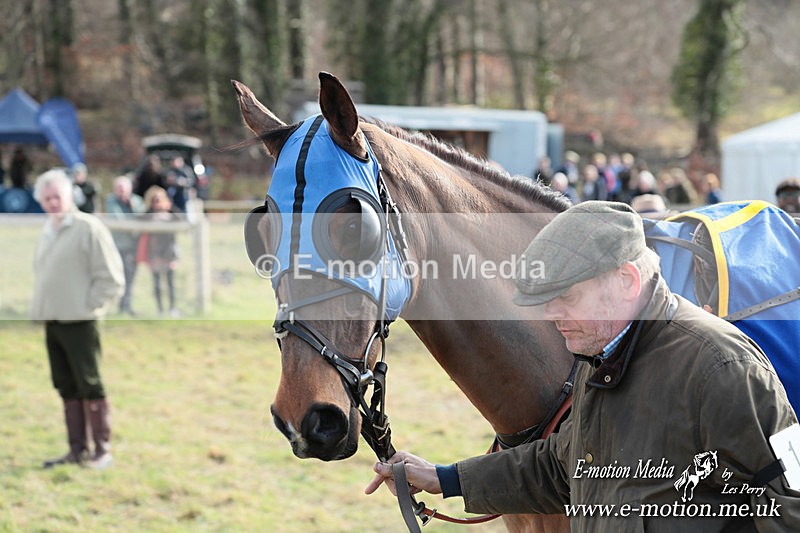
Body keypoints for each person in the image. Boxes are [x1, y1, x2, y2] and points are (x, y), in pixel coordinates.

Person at [366, 201, 800, 530]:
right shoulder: (600, 353)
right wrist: (444, 478)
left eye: (567, 297)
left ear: (627, 281)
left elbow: (791, 497)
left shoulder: (723, 367)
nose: (551, 315)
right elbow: (561, 466)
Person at [30, 169, 124, 470]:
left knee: (89, 383)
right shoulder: (48, 230)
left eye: (57, 196)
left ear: (69, 196)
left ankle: (101, 451)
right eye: (47, 198)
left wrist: (87, 306)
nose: (52, 203)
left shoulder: (88, 228)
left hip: (81, 322)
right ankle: (77, 449)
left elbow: (111, 279)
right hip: (54, 320)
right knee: (66, 385)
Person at [105, 175, 146, 316]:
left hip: (133, 246)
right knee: (116, 276)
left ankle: (126, 306)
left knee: (130, 277)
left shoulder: (137, 201)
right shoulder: (111, 201)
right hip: (117, 246)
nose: (121, 191)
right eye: (118, 188)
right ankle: (112, 305)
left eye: (123, 188)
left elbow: (142, 218)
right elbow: (118, 219)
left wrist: (131, 206)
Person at [140, 186, 180, 317]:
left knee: (170, 282)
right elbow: (140, 220)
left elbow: (181, 219)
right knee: (157, 283)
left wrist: (169, 208)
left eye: (159, 199)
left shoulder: (170, 214)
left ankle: (172, 308)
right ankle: (160, 309)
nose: (157, 203)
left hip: (169, 252)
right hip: (154, 253)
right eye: (154, 200)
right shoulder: (149, 215)